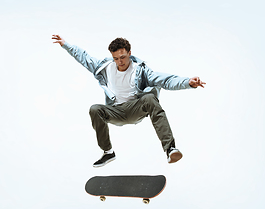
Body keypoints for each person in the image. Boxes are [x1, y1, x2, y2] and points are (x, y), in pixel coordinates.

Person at [52, 35, 206, 168]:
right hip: (116, 111)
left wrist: (187, 82)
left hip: (135, 109)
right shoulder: (105, 68)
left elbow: (165, 79)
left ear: (129, 53)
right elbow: (84, 58)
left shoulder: (141, 70)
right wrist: (66, 45)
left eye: (123, 57)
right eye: (116, 58)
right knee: (95, 109)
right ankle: (108, 152)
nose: (120, 62)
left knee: (149, 98)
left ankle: (170, 149)